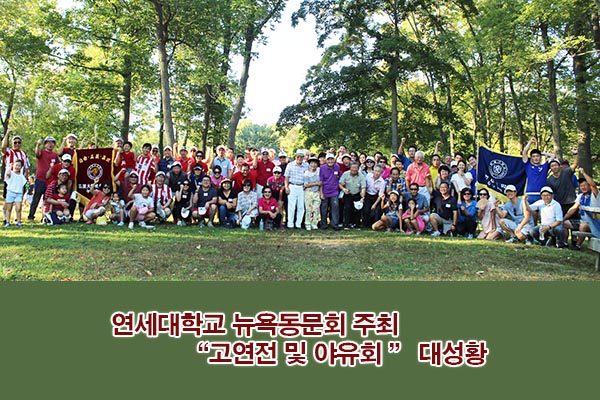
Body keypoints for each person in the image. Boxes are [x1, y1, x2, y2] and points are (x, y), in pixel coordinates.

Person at [563, 168, 599, 249]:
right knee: (564, 223)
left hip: (595, 223)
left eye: (585, 185)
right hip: (582, 221)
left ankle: (577, 246)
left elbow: (593, 185)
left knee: (583, 225)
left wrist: (583, 173)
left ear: (589, 186)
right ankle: (564, 243)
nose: (583, 187)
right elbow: (573, 209)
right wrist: (562, 219)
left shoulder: (595, 195)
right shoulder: (580, 196)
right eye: (581, 186)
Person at [28, 136, 59, 222]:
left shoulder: (55, 155)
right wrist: (38, 144)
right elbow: (37, 154)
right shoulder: (42, 152)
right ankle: (31, 216)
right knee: (36, 198)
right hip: (40, 179)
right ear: (45, 144)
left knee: (47, 200)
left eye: (52, 143)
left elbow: (57, 167)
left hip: (50, 181)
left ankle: (45, 217)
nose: (50, 144)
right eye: (48, 142)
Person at [284, 150, 309, 229]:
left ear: (303, 157)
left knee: (301, 206)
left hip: (302, 187)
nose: (299, 158)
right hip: (292, 186)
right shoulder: (290, 165)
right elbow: (286, 177)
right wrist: (286, 187)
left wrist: (306, 184)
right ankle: (290, 223)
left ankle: (298, 223)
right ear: (295, 157)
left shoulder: (306, 165)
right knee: (291, 206)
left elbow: (308, 176)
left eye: (301, 157)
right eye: (298, 156)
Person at [522, 137, 551, 204]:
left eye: (537, 156)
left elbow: (553, 156)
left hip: (542, 194)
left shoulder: (545, 166)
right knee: (529, 210)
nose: (536, 158)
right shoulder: (528, 166)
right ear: (531, 158)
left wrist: (542, 153)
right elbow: (524, 152)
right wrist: (530, 142)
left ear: (540, 157)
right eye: (533, 156)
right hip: (530, 194)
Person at [2, 130, 30, 199]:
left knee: (19, 198)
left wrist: (26, 180)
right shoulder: (9, 152)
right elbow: (3, 147)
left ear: (21, 143)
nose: (17, 144)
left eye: (19, 142)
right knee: (8, 198)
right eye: (15, 142)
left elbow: (26, 167)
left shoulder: (24, 154)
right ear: (12, 143)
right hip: (10, 179)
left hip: (20, 179)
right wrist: (7, 134)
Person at [339, 161, 366, 229]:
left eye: (356, 168)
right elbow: (340, 184)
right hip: (348, 193)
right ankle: (346, 224)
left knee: (358, 209)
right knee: (347, 208)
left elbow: (363, 187)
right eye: (352, 168)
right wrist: (343, 189)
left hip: (357, 193)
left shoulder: (361, 176)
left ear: (358, 168)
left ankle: (356, 224)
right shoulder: (345, 174)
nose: (354, 170)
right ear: (350, 168)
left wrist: (362, 197)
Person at [319, 153, 341, 230]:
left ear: (334, 160)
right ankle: (323, 224)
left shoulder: (337, 167)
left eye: (332, 159)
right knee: (324, 208)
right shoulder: (322, 168)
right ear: (326, 160)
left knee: (335, 208)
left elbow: (339, 177)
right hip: (325, 191)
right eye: (328, 159)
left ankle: (334, 224)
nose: (330, 161)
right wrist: (321, 193)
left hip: (334, 191)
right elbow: (321, 181)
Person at [3, 159, 27, 227]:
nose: (17, 167)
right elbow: (7, 174)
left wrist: (22, 195)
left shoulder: (21, 176)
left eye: (19, 166)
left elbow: (23, 185)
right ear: (13, 165)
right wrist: (10, 167)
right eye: (16, 165)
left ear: (21, 167)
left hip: (18, 194)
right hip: (10, 192)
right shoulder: (11, 174)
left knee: (18, 208)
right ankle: (7, 221)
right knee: (9, 208)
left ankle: (19, 221)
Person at [363, 164, 386, 228]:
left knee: (377, 210)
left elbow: (380, 195)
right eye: (375, 171)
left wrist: (375, 204)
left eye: (378, 171)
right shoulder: (368, 176)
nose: (376, 173)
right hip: (367, 194)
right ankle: (365, 225)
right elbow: (364, 186)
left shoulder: (382, 182)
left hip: (376, 196)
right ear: (373, 171)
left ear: (381, 173)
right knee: (366, 209)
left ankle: (375, 224)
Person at [303, 156, 321, 230]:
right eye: (312, 163)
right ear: (309, 164)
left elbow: (321, 182)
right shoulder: (306, 173)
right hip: (308, 192)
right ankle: (307, 223)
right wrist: (316, 183)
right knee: (308, 209)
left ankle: (314, 223)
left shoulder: (319, 171)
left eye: (315, 163)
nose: (313, 165)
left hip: (317, 192)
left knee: (316, 208)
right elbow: (306, 185)